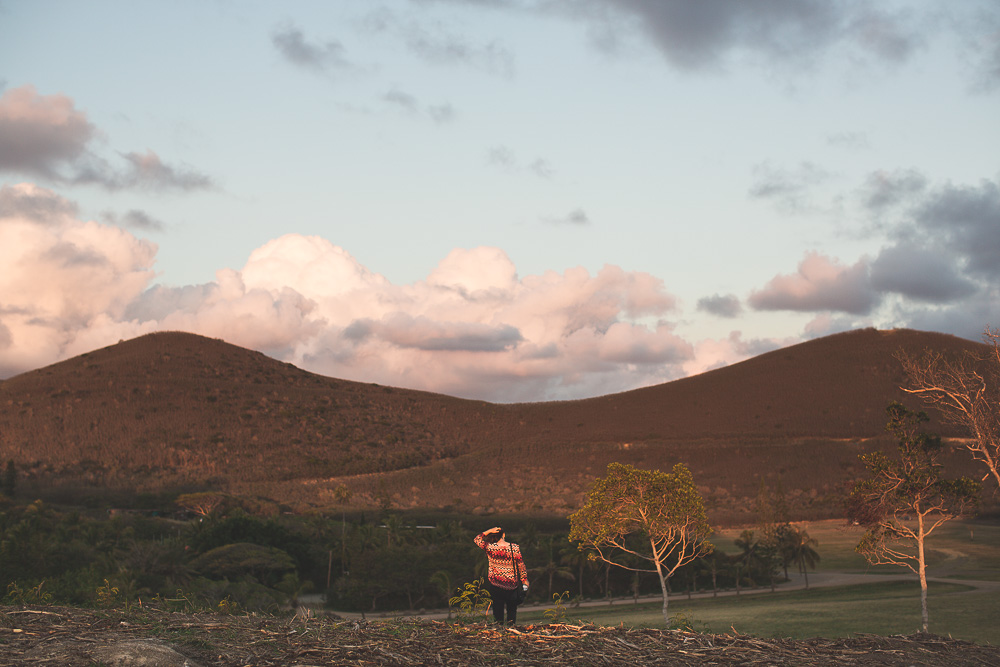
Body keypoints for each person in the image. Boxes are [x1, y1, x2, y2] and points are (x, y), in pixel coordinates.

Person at [474, 526, 529, 626]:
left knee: (498, 614)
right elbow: (521, 565)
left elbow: (477, 539)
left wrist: (489, 531)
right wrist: (524, 579)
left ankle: (499, 634)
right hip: (512, 586)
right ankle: (511, 632)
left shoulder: (490, 547)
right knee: (512, 613)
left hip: (496, 585)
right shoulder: (514, 547)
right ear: (504, 535)